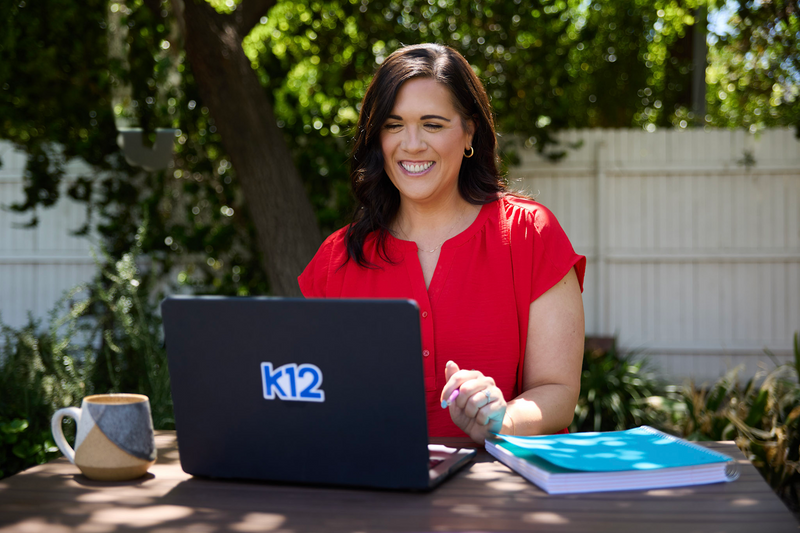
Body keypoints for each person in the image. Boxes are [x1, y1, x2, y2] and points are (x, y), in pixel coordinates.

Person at [298, 43, 586, 444]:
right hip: (372, 493)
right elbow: (312, 397)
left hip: (503, 492)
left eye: (432, 124)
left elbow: (558, 392)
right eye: (393, 124)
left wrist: (500, 420)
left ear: (470, 131)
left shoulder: (530, 233)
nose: (411, 144)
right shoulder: (337, 259)